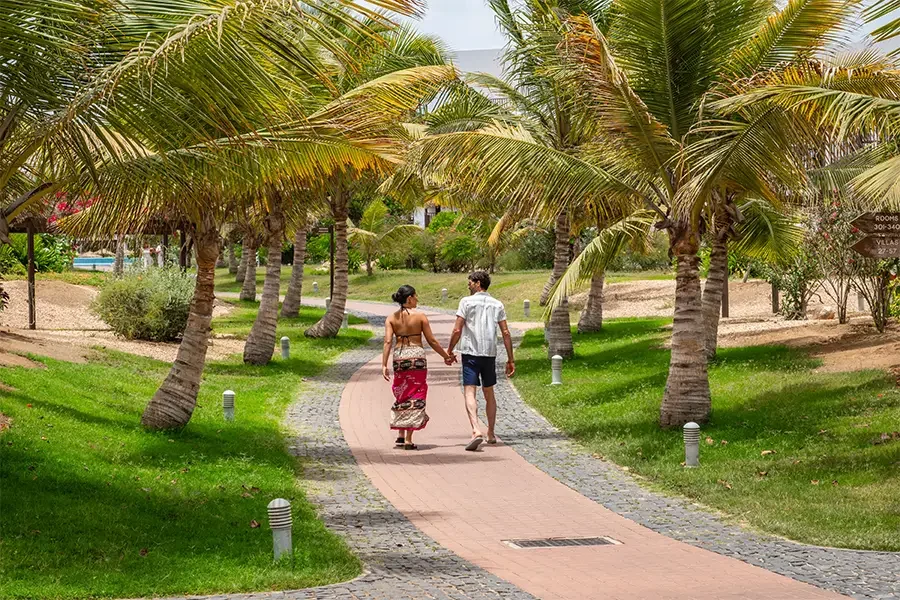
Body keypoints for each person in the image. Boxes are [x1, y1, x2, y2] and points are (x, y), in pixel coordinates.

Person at [446, 271, 515, 451]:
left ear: (477, 283)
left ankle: (476, 430)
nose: (468, 285)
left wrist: (450, 350)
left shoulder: (466, 302)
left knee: (470, 391)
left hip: (470, 353)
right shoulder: (497, 304)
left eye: (470, 282)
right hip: (490, 354)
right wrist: (510, 359)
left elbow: (457, 330)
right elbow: (506, 333)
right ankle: (491, 433)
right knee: (489, 392)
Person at [382, 285, 454, 450]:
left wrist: (384, 364)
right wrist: (446, 356)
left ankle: (400, 433)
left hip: (399, 357)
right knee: (416, 393)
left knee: (402, 392)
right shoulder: (420, 316)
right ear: (409, 299)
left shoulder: (391, 319)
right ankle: (408, 438)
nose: (417, 300)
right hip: (417, 357)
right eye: (415, 297)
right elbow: (432, 341)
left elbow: (387, 342)